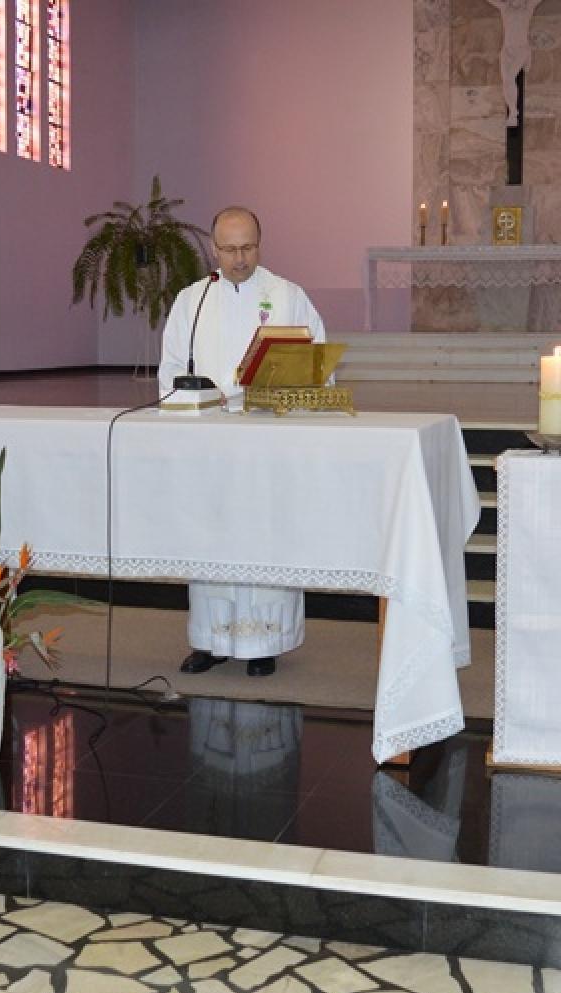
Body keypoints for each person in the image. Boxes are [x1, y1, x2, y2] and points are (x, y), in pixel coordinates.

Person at [158, 207, 325, 678]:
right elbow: (170, 367)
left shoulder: (287, 296)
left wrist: (288, 389)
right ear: (214, 248)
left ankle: (266, 641)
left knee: (263, 537)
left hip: (266, 441)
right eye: (229, 249)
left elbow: (317, 363)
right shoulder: (192, 301)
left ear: (260, 244)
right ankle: (210, 641)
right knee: (210, 538)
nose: (239, 258)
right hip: (209, 443)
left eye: (248, 247)